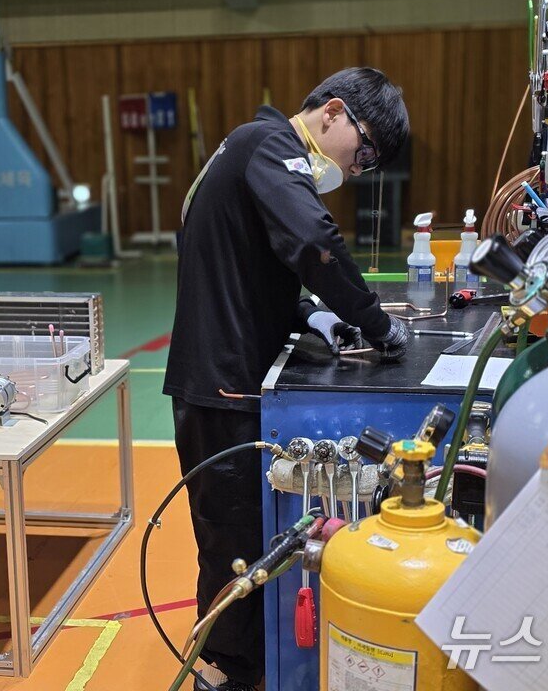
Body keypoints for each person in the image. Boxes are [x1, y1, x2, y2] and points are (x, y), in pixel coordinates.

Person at [163, 67, 411, 691]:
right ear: (333, 113)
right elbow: (312, 243)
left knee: (247, 539)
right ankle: (224, 674)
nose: (357, 171)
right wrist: (377, 325)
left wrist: (309, 312)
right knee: (235, 546)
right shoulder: (268, 145)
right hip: (222, 387)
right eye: (364, 152)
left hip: (226, 377)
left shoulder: (247, 151)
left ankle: (241, 665)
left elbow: (243, 261)